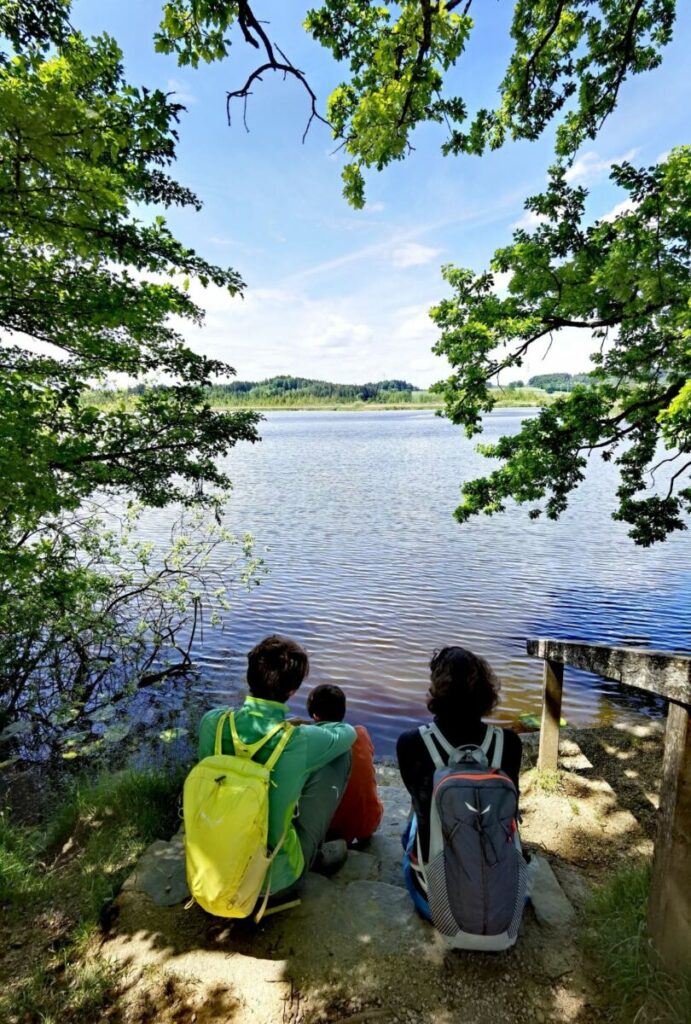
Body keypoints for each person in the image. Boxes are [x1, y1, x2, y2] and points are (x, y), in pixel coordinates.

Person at [197, 635, 356, 899]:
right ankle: (313, 853)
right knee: (340, 755)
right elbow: (347, 732)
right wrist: (300, 726)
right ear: (292, 692)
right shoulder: (298, 741)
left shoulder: (212, 723)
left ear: (249, 678)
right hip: (271, 884)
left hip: (210, 871)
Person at [396, 646, 523, 921]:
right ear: (486, 691)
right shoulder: (508, 743)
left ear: (436, 690)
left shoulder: (411, 742)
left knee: (416, 821)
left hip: (435, 897)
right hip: (499, 896)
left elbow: (417, 799)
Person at [307, 683, 383, 845]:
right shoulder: (361, 733)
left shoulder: (309, 742)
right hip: (367, 825)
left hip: (329, 830)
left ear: (314, 715)